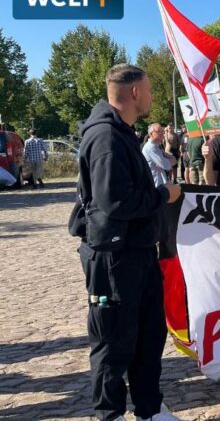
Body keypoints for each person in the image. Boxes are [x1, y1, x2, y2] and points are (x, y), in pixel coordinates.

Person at [68, 64, 182, 421]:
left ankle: (149, 409)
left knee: (148, 337)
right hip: (114, 258)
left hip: (138, 252)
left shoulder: (123, 132)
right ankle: (111, 414)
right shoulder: (105, 136)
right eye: (148, 90)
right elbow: (113, 201)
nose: (151, 96)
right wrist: (163, 194)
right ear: (135, 92)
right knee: (114, 342)